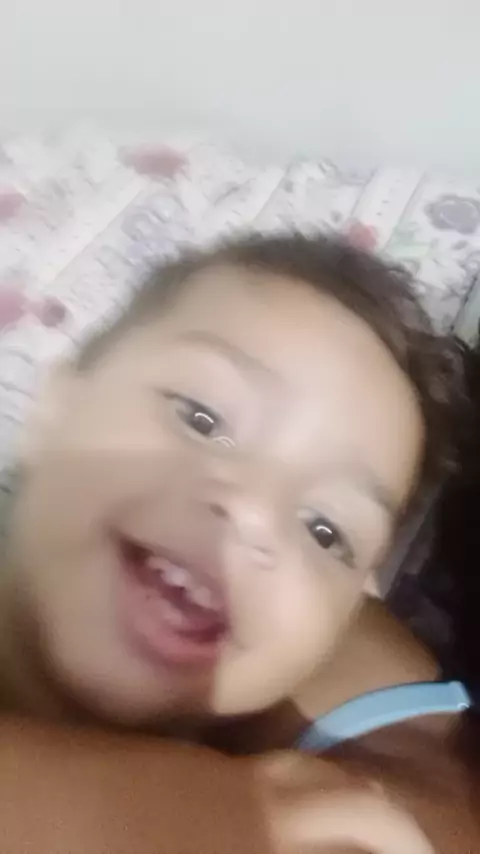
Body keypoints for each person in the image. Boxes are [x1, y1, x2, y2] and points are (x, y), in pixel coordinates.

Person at [0, 233, 471, 851]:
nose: (252, 512)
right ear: (55, 409)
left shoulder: (349, 725)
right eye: (200, 418)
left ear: (345, 615)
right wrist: (242, 818)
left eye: (325, 531)